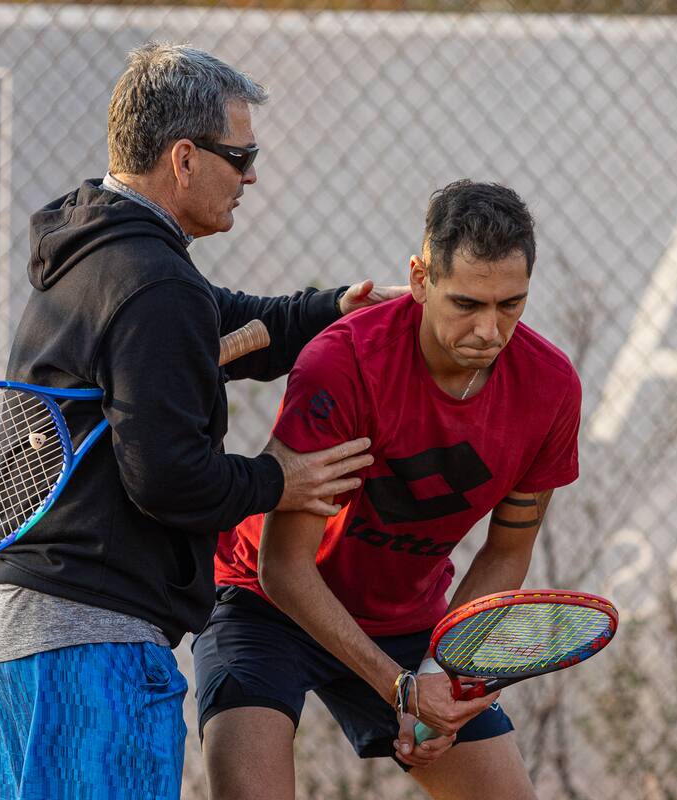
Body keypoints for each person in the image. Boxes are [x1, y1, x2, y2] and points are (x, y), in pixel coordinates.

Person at [0, 43, 404, 800]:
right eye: (240, 156)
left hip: (31, 632)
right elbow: (169, 477)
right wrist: (281, 482)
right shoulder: (152, 283)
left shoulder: (99, 249)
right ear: (183, 158)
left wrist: (326, 311)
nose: (250, 176)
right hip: (94, 640)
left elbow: (218, 320)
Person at [195, 180, 582, 800]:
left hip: (408, 623)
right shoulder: (341, 364)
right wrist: (399, 688)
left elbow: (506, 552)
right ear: (421, 278)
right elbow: (283, 568)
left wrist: (439, 675)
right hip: (267, 603)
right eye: (466, 304)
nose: (489, 330)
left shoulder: (551, 386)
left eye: (511, 304)